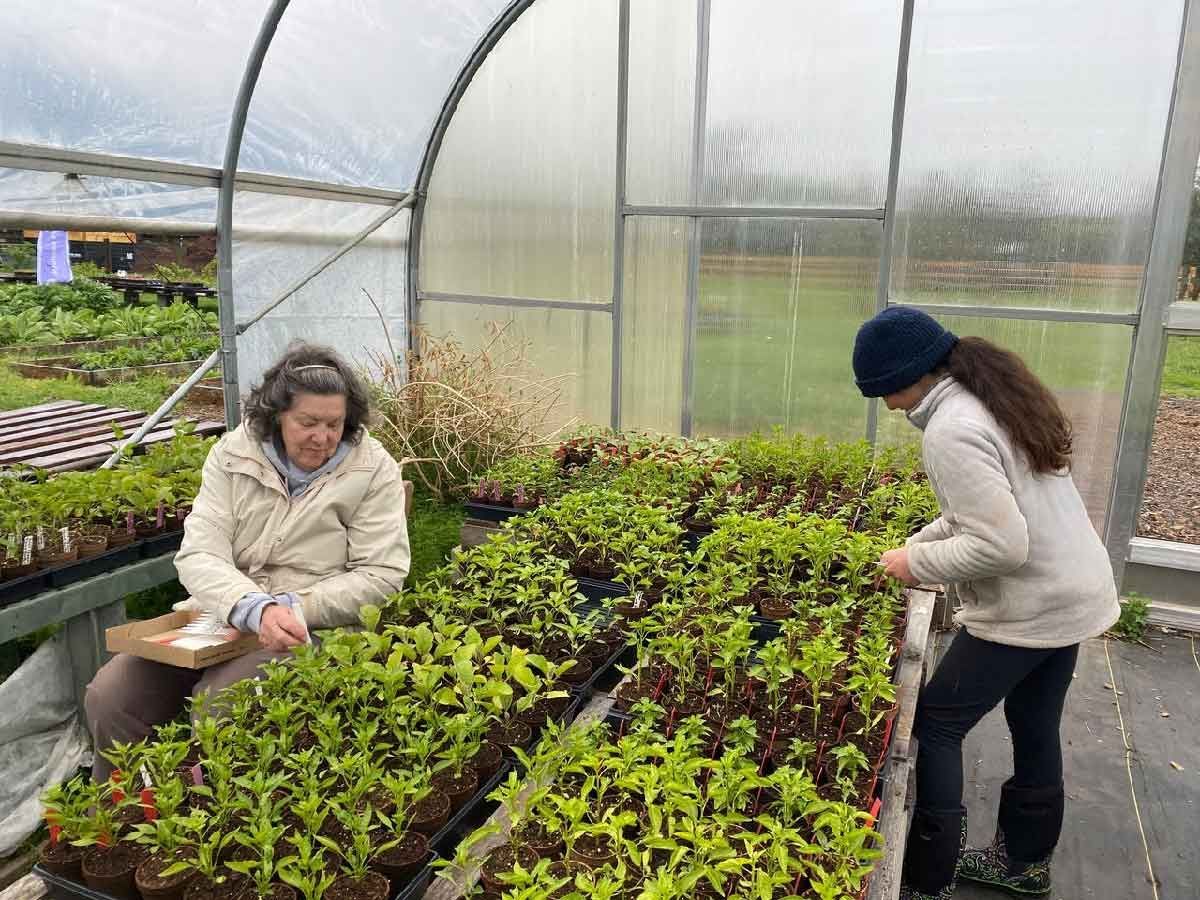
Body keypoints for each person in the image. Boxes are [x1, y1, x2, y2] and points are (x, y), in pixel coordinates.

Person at [852, 307, 1119, 900]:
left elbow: (1001, 544)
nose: (888, 408)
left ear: (908, 377)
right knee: (1034, 722)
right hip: (1074, 590)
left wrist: (916, 566)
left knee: (936, 725)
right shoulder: (992, 397)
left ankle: (929, 878)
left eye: (883, 392)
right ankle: (1025, 864)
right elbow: (979, 513)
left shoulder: (951, 429)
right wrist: (914, 545)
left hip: (1033, 605)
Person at [85, 342, 411, 780]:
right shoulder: (234, 454)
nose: (322, 437)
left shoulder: (371, 469)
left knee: (221, 703)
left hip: (313, 628)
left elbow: (381, 575)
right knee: (111, 697)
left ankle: (216, 810)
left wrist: (292, 608)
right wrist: (252, 607)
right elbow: (200, 551)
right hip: (225, 614)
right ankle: (123, 808)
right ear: (277, 415)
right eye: (308, 423)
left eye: (334, 424)